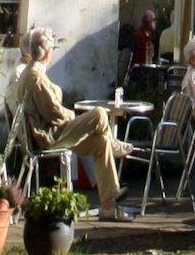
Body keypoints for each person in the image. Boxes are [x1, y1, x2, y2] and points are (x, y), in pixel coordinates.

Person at [10, 27, 134, 220]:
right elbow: (54, 113)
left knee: (101, 143)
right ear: (48, 52)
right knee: (100, 114)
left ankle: (109, 205)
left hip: (49, 132)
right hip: (49, 136)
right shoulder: (35, 76)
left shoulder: (31, 72)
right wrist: (75, 117)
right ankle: (115, 145)